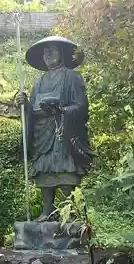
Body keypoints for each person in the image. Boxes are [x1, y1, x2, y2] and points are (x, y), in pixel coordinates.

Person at [17, 35, 94, 222]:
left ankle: (71, 211)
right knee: (45, 170)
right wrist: (25, 105)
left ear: (63, 53)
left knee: (66, 171)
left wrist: (60, 110)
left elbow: (82, 107)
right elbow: (33, 112)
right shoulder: (39, 82)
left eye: (52, 50)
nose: (48, 54)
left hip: (63, 131)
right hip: (43, 132)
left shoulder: (72, 77)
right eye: (45, 51)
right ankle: (46, 212)